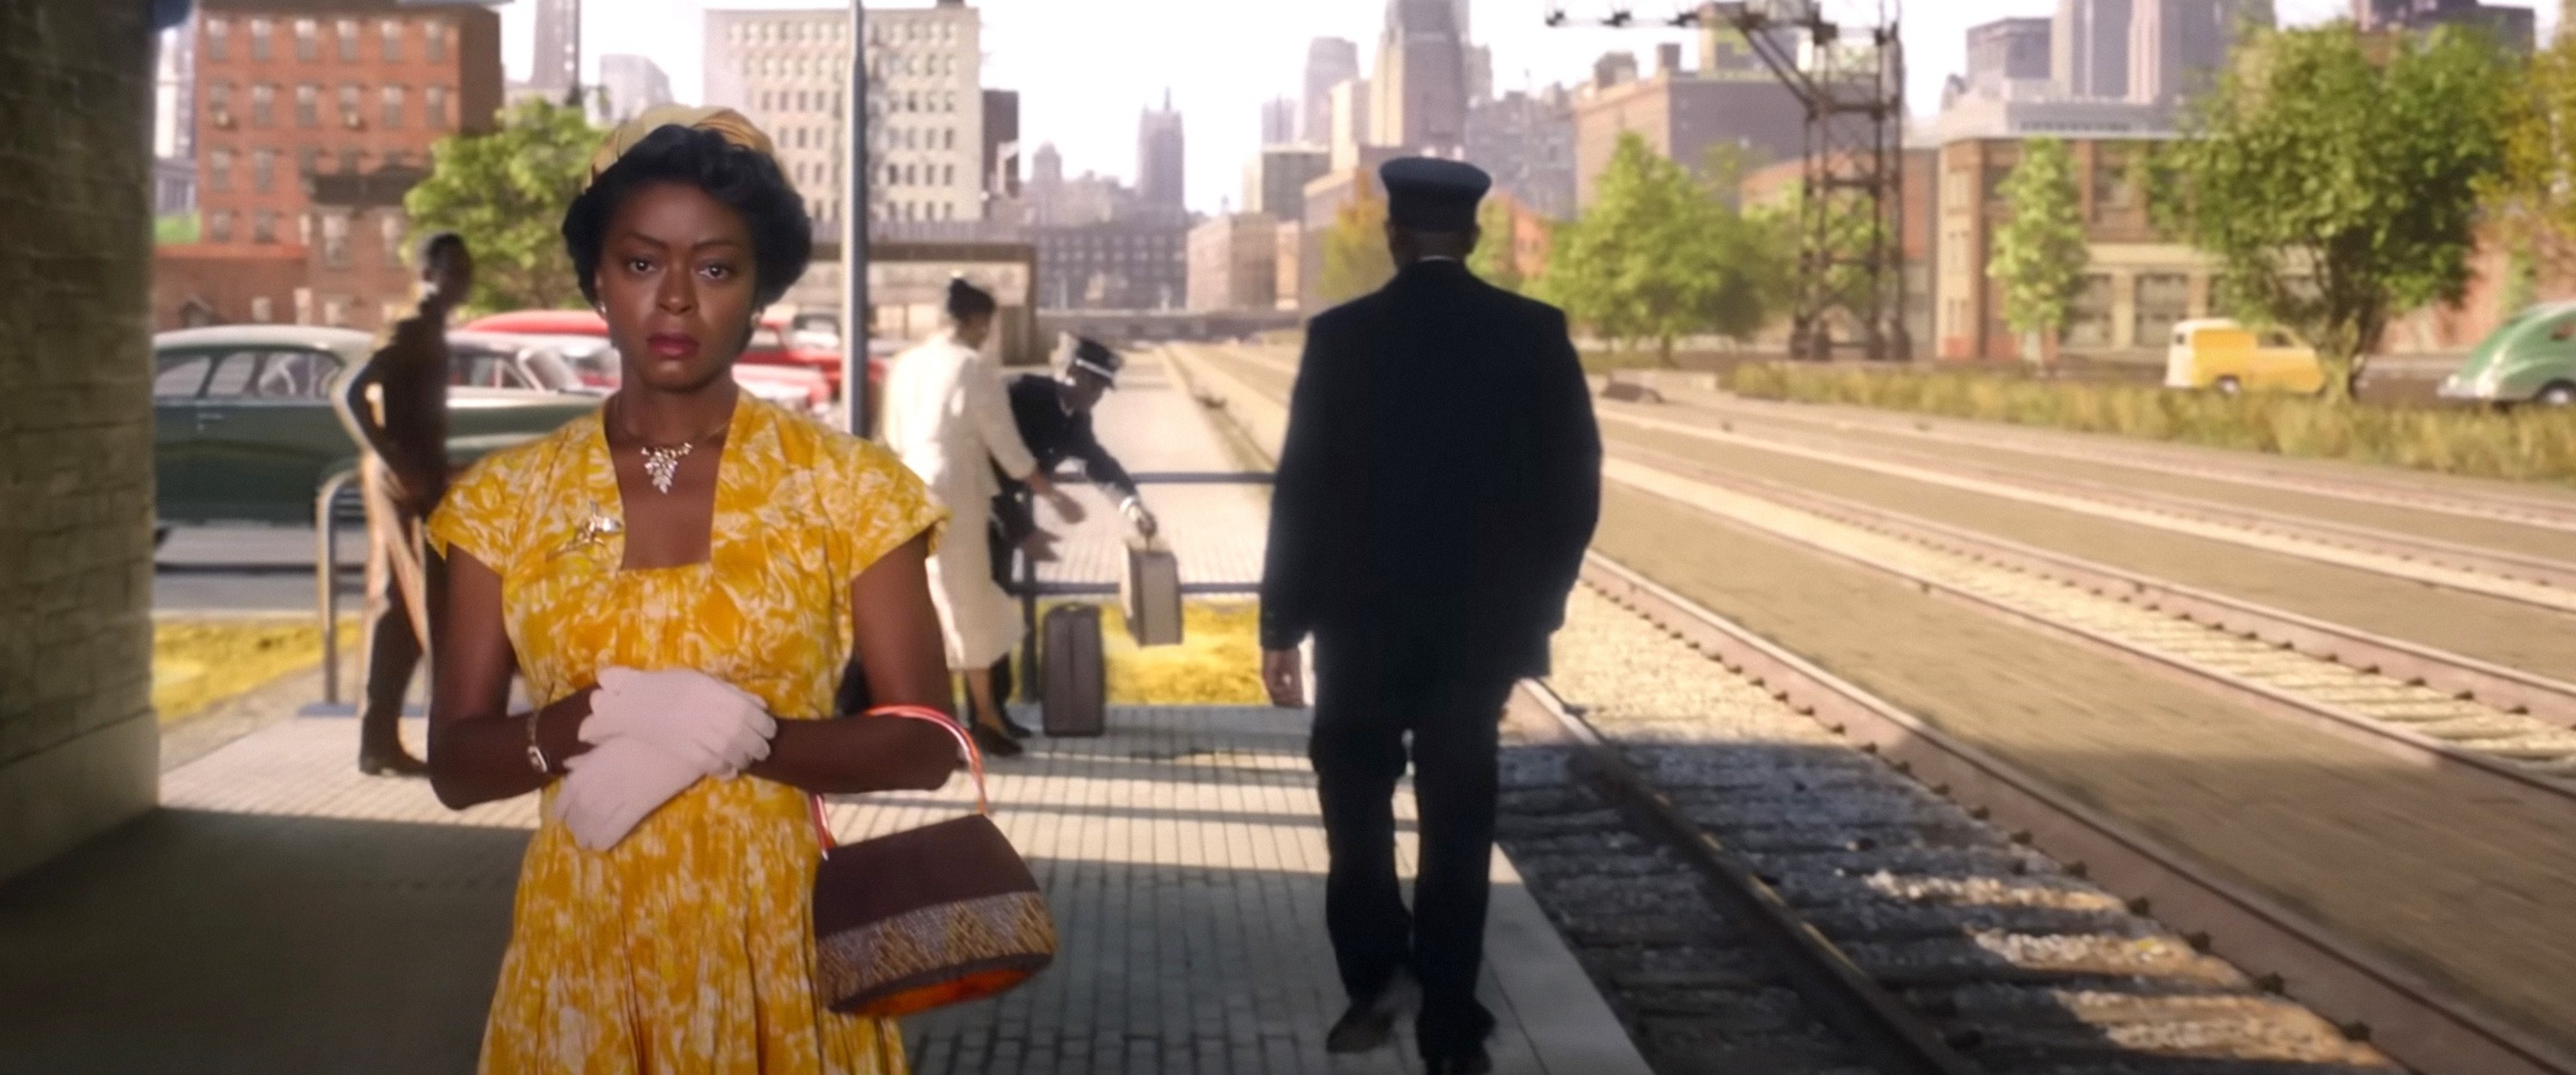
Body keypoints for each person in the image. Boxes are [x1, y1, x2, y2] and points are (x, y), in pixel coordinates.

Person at [422, 106, 962, 1073]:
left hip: (785, 951)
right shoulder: (508, 500)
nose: (675, 299)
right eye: (641, 263)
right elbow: (457, 764)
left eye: (716, 268)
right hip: (579, 958)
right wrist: (604, 717)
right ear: (597, 280)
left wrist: (732, 734)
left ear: (760, 294)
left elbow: (926, 741)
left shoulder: (847, 486)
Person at [1257, 156, 1602, 1075]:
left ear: (1395, 236)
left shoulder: (1342, 337)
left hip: (1359, 629)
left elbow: (1303, 493)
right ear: (1477, 236)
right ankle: (1453, 1014)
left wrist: (1279, 625)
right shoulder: (1533, 333)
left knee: (1356, 806)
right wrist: (1538, 607)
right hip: (1477, 635)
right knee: (1459, 816)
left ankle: (1377, 979)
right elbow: (1573, 490)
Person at [880, 277, 1083, 757]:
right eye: (987, 324)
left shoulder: (905, 364)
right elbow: (1006, 445)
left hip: (907, 484)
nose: (987, 334)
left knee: (927, 604)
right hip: (955, 487)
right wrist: (1052, 495)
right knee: (966, 599)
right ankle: (984, 718)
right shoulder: (973, 366)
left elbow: (890, 431)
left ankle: (936, 720)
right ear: (975, 321)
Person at [332, 231, 471, 776]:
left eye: (467, 269)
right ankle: (451, 743)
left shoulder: (431, 327)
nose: (463, 279)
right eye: (453, 269)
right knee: (433, 605)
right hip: (404, 479)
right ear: (428, 273)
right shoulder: (411, 327)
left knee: (397, 606)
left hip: (420, 471)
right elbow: (347, 391)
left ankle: (377, 742)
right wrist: (393, 459)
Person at [979, 335, 1160, 734]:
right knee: (970, 617)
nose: (1097, 396)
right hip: (972, 516)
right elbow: (985, 467)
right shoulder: (1021, 395)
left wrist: (1132, 505)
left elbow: (1097, 462)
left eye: (1102, 389)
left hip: (1003, 526)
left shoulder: (1074, 417)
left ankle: (993, 714)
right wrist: (1023, 529)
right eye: (1093, 385)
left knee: (996, 615)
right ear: (1071, 373)